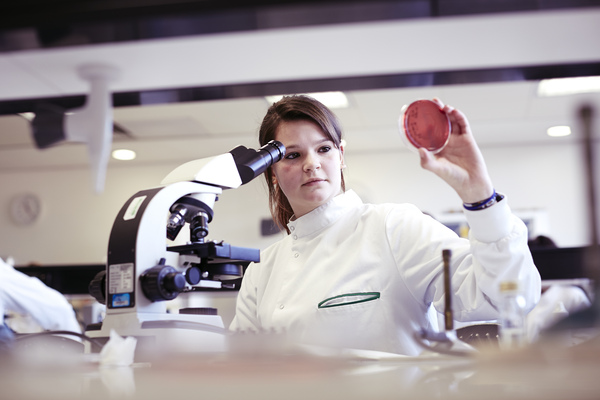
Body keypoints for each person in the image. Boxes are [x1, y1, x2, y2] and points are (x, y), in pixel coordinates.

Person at [230, 95, 542, 356]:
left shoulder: (393, 227)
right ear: (272, 172)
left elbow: (503, 298)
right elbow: (244, 366)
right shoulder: (262, 270)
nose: (311, 164)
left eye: (324, 149)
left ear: (341, 156)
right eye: (293, 155)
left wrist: (479, 195)